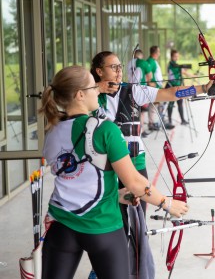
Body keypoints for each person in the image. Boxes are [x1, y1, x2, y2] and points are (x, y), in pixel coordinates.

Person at [39, 65, 189, 279]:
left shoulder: (52, 129)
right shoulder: (105, 129)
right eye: (93, 87)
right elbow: (136, 181)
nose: (98, 91)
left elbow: (77, 176)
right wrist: (168, 204)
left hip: (60, 226)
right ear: (80, 95)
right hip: (102, 227)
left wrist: (117, 195)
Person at [126, 49, 151, 138]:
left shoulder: (129, 63)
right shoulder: (142, 62)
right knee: (143, 112)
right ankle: (141, 131)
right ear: (141, 55)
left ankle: (135, 131)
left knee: (134, 112)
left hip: (130, 89)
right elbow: (150, 76)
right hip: (141, 90)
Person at [166, 49, 192, 127]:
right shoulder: (171, 65)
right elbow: (179, 70)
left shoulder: (176, 65)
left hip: (178, 87)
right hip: (172, 87)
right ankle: (169, 120)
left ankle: (182, 120)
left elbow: (182, 71)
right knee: (171, 103)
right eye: (175, 56)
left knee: (180, 103)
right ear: (171, 57)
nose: (177, 58)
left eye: (177, 56)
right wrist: (183, 69)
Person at [146, 46, 164, 131]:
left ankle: (159, 121)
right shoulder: (150, 61)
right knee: (153, 106)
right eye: (159, 52)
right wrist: (150, 84)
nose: (159, 54)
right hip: (154, 88)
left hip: (157, 87)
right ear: (155, 53)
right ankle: (151, 123)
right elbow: (148, 75)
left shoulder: (153, 61)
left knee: (158, 105)